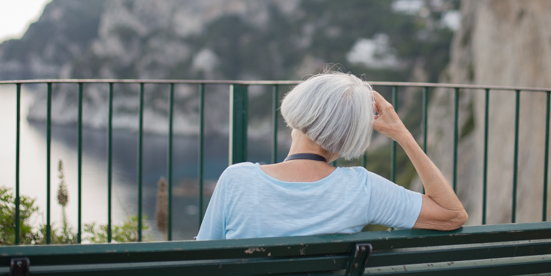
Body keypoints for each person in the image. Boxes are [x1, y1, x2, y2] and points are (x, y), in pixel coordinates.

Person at [196, 71, 467, 240]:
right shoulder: (364, 189)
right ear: (351, 136)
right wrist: (403, 135)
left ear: (298, 109)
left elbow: (202, 261)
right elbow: (451, 214)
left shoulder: (237, 180)